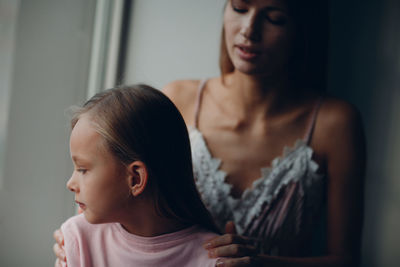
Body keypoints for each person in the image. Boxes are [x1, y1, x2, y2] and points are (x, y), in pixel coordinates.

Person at [55, 0, 366, 266]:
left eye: (274, 18)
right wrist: (83, 239)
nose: (249, 30)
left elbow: (346, 259)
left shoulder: (334, 123)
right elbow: (122, 193)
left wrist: (265, 264)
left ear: (303, 29)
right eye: (239, 7)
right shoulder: (178, 98)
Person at [57, 84, 220, 267]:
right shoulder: (77, 240)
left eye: (82, 169)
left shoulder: (215, 257)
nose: (70, 184)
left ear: (135, 179)